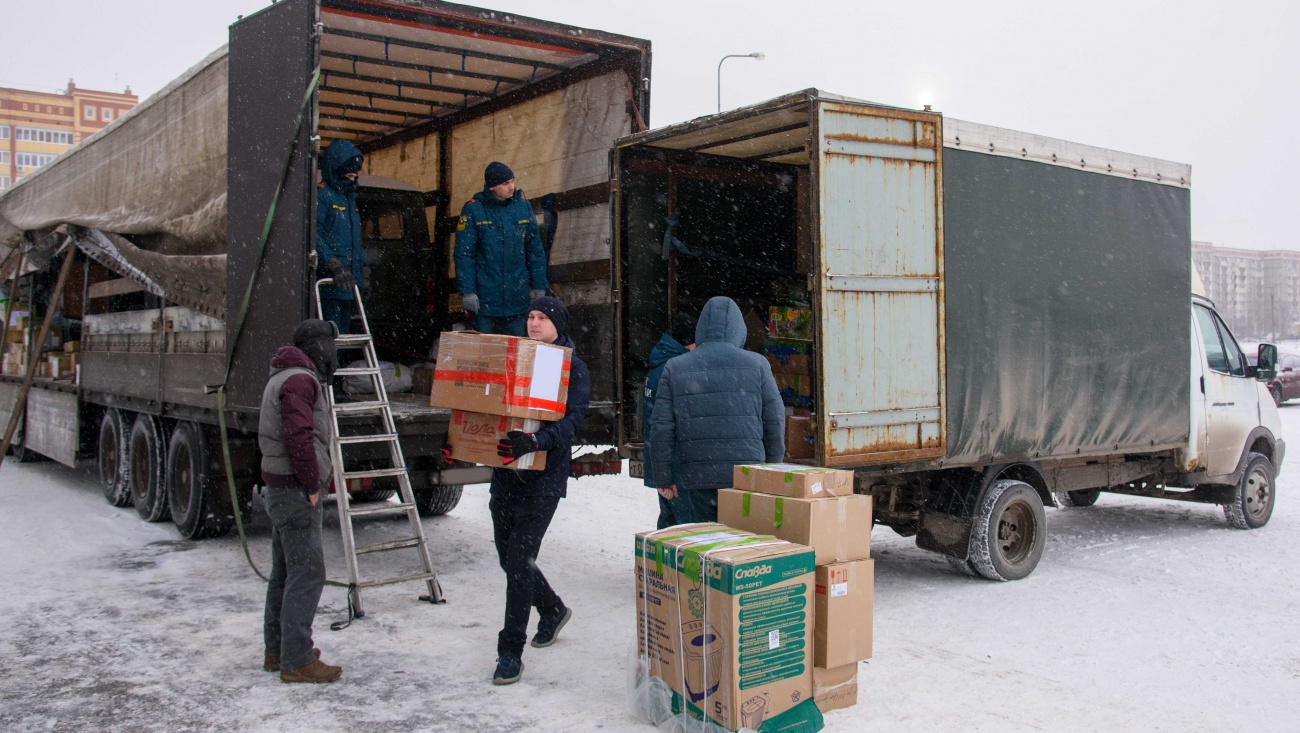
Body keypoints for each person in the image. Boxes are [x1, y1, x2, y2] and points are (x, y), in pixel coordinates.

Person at [488, 295, 589, 685]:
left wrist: (535, 442)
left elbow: (573, 422)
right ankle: (551, 609)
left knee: (518, 563)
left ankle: (510, 651)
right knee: (508, 558)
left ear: (558, 325)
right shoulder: (515, 363)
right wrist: (462, 445)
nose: (533, 323)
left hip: (543, 482)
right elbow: (487, 411)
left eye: (541, 318)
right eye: (529, 316)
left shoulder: (573, 370)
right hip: (506, 476)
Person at [647, 296, 785, 522]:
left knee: (708, 546)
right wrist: (770, 470)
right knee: (743, 544)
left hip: (698, 477)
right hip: (747, 476)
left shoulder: (675, 367)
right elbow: (775, 421)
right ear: (739, 329)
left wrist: (663, 477)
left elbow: (661, 429)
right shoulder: (758, 364)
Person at [258, 319, 343, 684]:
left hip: (282, 488)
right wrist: (312, 483)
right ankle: (296, 658)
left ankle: (278, 651)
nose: (333, 354)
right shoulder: (299, 380)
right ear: (316, 348)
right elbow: (299, 437)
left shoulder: (287, 374)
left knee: (285, 572)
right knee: (307, 573)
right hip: (294, 490)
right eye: (329, 346)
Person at [454, 162, 548, 336]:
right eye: (505, 183)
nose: (511, 187)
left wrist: (539, 285)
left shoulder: (523, 207)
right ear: (491, 186)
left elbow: (535, 250)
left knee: (513, 352)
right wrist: (468, 291)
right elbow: (464, 254)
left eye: (512, 181)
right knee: (483, 354)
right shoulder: (474, 209)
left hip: (517, 297)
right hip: (484, 299)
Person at [642, 310, 697, 529]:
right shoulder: (673, 370)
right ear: (688, 344)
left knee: (669, 524)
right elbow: (669, 426)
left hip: (664, 464)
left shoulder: (661, 364)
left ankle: (658, 562)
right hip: (675, 466)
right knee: (685, 527)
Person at [316, 139, 369, 338]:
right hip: (330, 281)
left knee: (344, 335)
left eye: (356, 169)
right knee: (330, 335)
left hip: (348, 281)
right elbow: (314, 235)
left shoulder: (350, 199)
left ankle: (337, 366)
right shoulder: (323, 196)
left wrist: (363, 271)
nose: (354, 174)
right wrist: (332, 263)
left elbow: (355, 241)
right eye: (349, 168)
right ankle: (330, 369)